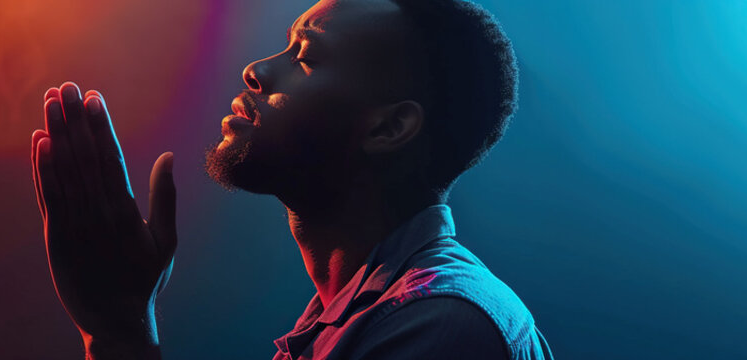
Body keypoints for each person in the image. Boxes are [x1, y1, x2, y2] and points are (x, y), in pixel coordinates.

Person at [28, 0, 553, 358]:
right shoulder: (344, 319)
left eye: (307, 56)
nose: (255, 68)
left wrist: (118, 333)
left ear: (390, 127)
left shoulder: (440, 327)